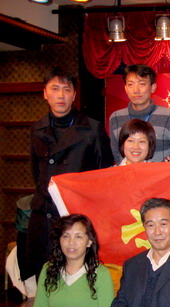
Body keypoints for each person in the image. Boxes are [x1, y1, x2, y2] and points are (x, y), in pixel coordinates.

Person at [26, 67, 114, 280]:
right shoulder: (37, 129)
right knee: (45, 278)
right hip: (44, 215)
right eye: (55, 89)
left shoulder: (92, 129)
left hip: (75, 214)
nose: (60, 95)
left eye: (66, 89)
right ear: (45, 93)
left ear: (74, 95)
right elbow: (37, 173)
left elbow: (104, 175)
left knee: (76, 277)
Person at [109, 64, 170, 163]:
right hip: (128, 172)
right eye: (131, 84)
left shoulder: (169, 117)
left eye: (142, 84)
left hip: (161, 173)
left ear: (153, 87)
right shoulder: (116, 118)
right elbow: (117, 154)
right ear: (126, 88)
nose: (136, 90)